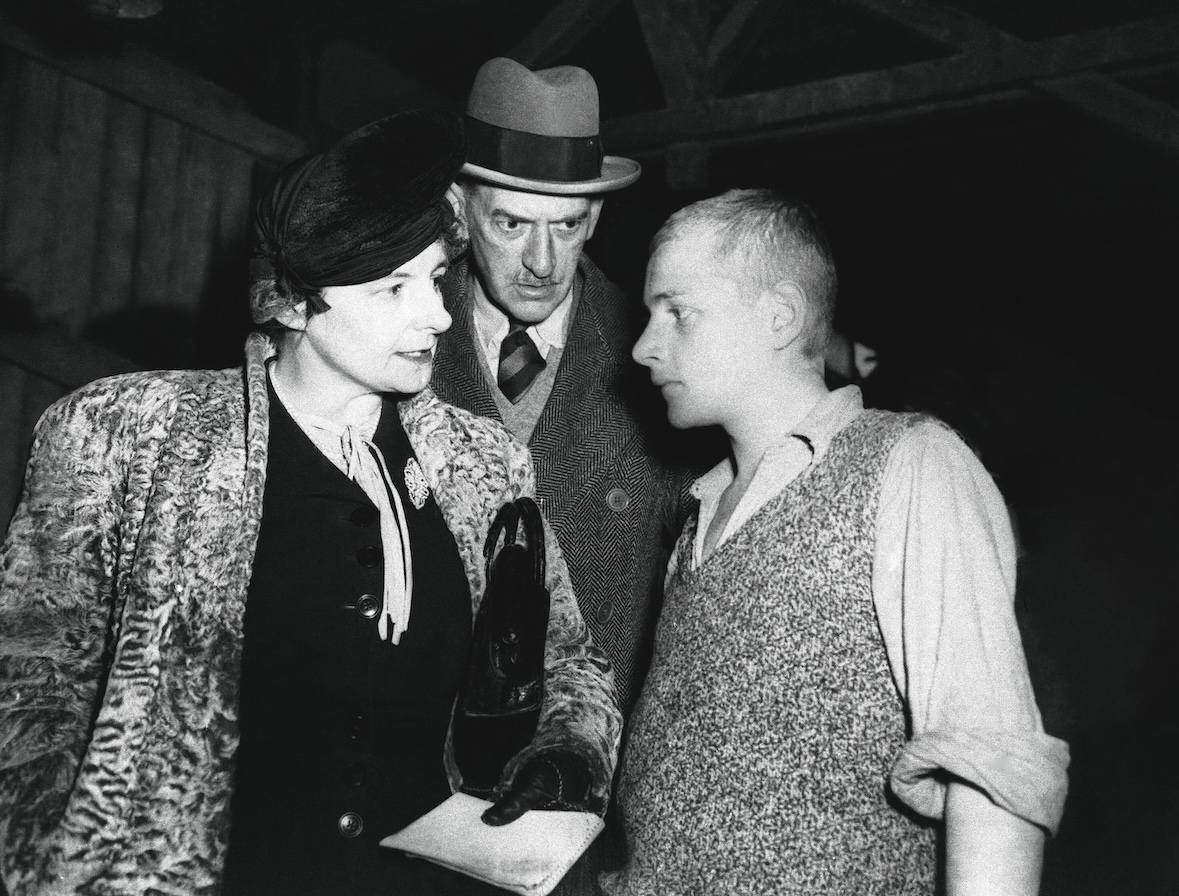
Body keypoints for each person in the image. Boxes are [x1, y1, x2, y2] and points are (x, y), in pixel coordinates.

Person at [0, 108, 621, 896]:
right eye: (394, 288)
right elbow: (30, 696)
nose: (434, 315)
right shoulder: (126, 436)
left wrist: (564, 754)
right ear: (292, 303)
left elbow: (566, 658)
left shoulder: (484, 464)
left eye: (433, 280)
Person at [601, 189, 1070, 895]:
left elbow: (993, 767)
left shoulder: (910, 465)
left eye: (677, 312)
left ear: (779, 316)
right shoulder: (697, 518)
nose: (642, 346)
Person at [432, 58, 699, 721]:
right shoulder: (390, 337)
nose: (543, 264)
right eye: (512, 224)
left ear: (597, 216)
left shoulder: (666, 369)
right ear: (458, 210)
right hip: (412, 767)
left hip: (585, 774)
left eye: (568, 225)